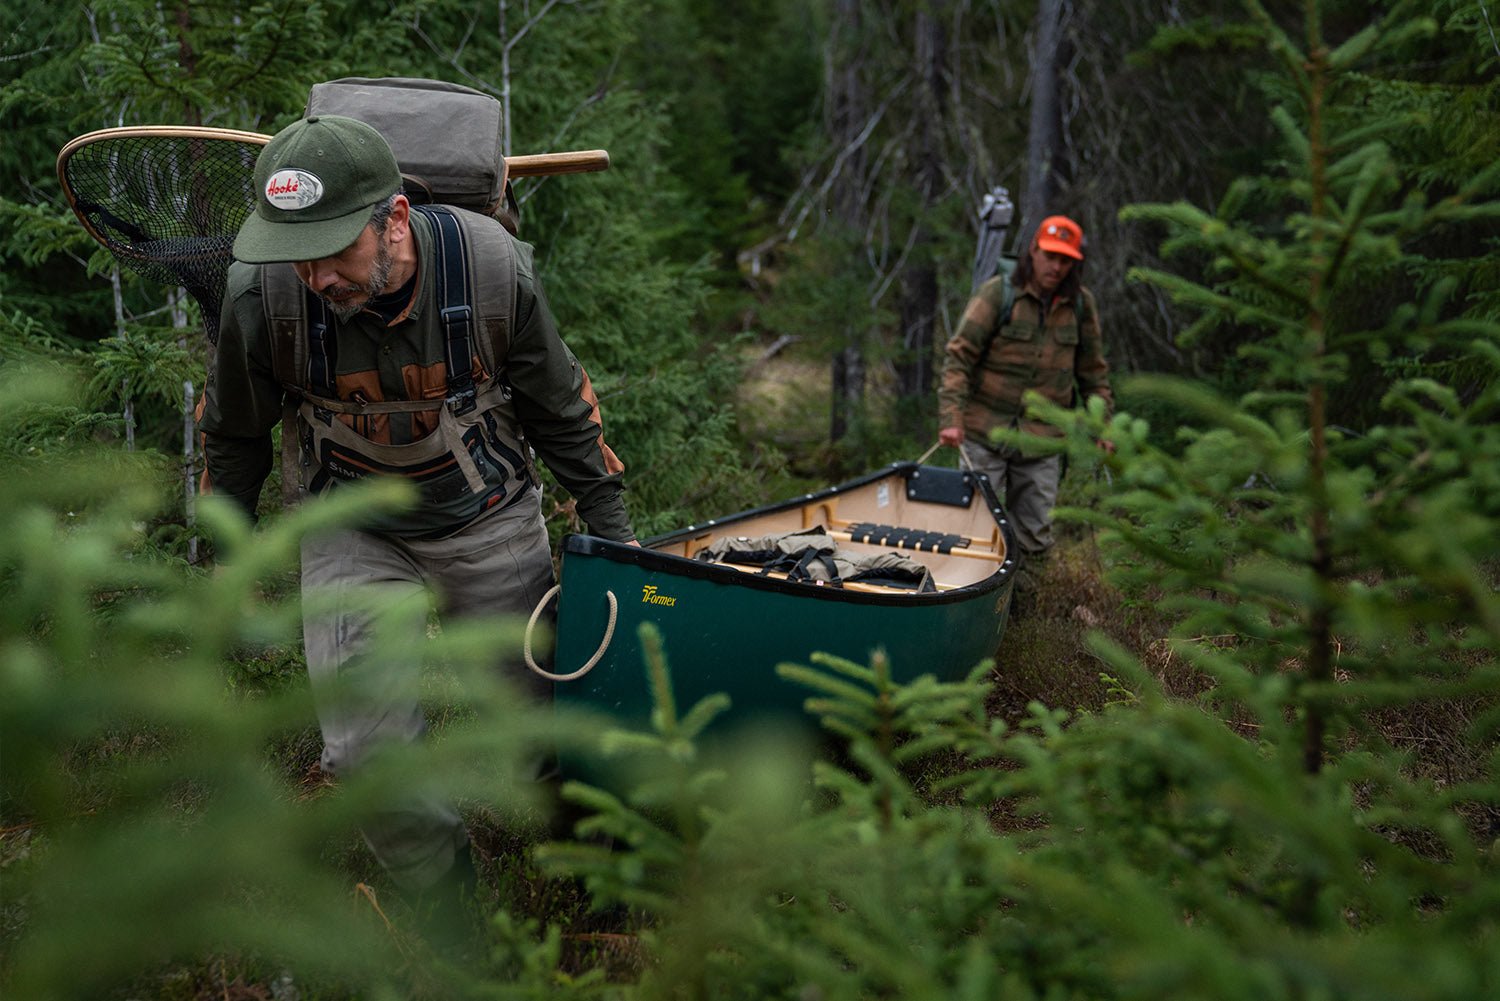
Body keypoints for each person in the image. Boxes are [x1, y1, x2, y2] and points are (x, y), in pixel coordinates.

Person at [198, 115, 637, 902]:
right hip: (351, 529)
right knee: (366, 755)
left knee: (545, 730)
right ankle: (451, 921)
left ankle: (596, 884)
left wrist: (614, 541)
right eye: (295, 254)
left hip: (490, 516)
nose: (314, 275)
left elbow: (561, 410)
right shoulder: (260, 294)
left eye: (334, 248)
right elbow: (233, 437)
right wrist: (226, 567)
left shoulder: (491, 269)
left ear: (394, 218)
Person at [937, 214, 1112, 611]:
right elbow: (959, 356)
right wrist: (951, 419)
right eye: (1049, 256)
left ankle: (1018, 618)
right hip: (984, 434)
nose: (1055, 266)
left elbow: (1093, 374)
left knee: (1034, 534)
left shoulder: (1081, 307)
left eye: (1065, 260)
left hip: (1042, 442)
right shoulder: (998, 294)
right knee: (973, 526)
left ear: (1074, 263)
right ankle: (963, 607)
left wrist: (1104, 426)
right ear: (1033, 250)